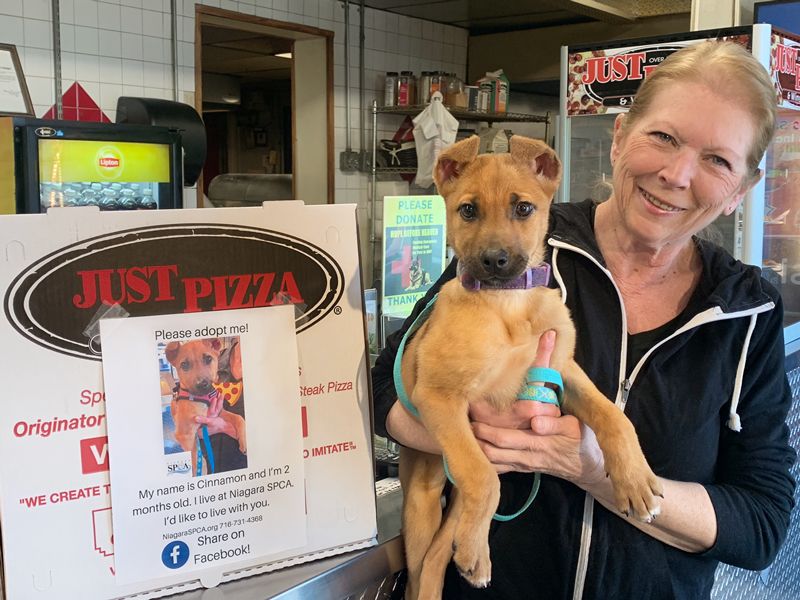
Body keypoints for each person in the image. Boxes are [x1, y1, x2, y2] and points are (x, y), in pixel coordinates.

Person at [371, 41, 796, 599]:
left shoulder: (747, 309)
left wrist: (594, 468)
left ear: (742, 188)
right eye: (663, 137)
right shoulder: (512, 259)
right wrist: (482, 446)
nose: (676, 173)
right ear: (620, 137)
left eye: (717, 160)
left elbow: (761, 525)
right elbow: (387, 388)